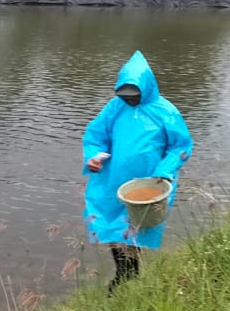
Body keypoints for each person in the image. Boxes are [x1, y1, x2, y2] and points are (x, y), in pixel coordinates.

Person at [82, 50, 193, 293]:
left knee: (139, 226)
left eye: (134, 96)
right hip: (113, 180)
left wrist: (164, 171)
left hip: (149, 182)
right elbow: (96, 136)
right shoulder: (114, 108)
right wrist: (93, 157)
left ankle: (128, 275)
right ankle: (124, 273)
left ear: (146, 89)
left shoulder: (165, 111)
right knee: (112, 226)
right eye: (125, 96)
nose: (129, 101)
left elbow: (180, 146)